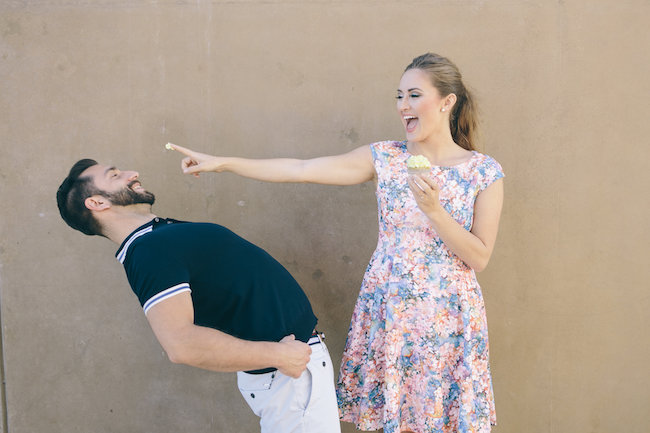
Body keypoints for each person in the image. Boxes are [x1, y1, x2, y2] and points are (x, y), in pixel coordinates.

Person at [167, 52, 504, 433]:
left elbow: (479, 256)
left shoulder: (483, 172)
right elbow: (301, 168)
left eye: (413, 95)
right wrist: (221, 162)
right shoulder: (385, 159)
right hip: (389, 312)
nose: (403, 106)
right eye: (399, 97)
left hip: (450, 317)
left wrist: (435, 211)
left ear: (446, 102)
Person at [56, 158, 341, 433]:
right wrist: (280, 355)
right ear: (97, 202)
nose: (132, 173)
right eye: (115, 175)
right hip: (287, 375)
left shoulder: (157, 236)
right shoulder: (147, 250)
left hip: (291, 371)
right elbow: (181, 344)